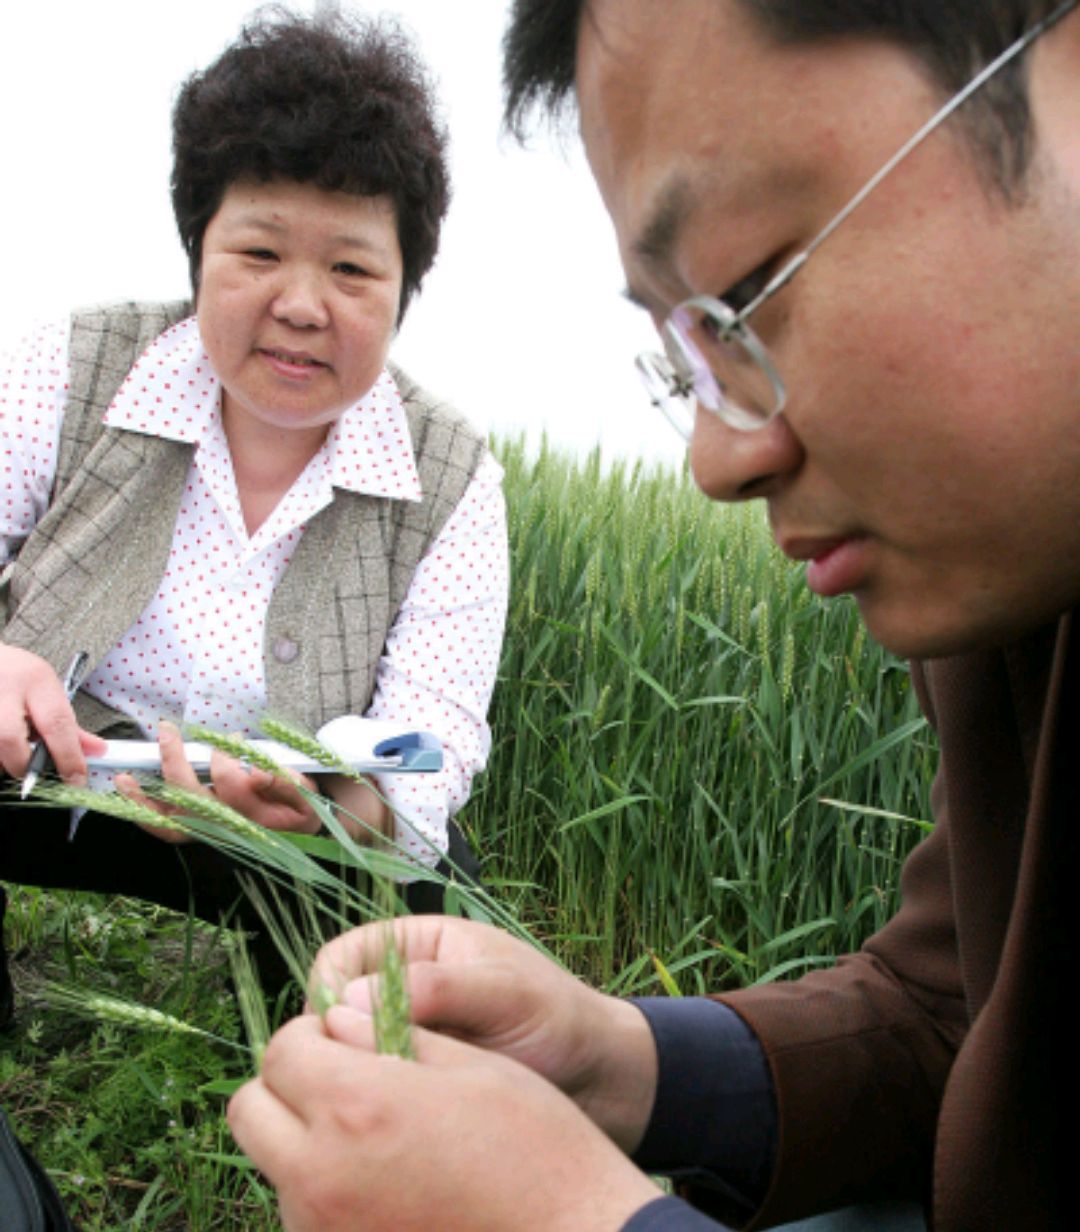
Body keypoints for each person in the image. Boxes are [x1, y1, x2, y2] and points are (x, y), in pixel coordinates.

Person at [227, 1, 1077, 1229]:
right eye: (687, 355)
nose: (717, 458)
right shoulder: (1010, 577)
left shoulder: (446, 470)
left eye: (748, 290)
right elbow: (960, 1014)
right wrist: (616, 1056)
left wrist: (577, 1217)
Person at [0, 8, 507, 1020]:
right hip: (48, 774)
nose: (302, 304)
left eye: (353, 268)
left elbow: (437, 734)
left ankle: (318, 1061)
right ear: (199, 252)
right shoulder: (69, 365)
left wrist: (344, 804)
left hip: (282, 822)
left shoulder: (451, 473)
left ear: (407, 287)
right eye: (259, 252)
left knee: (425, 892)